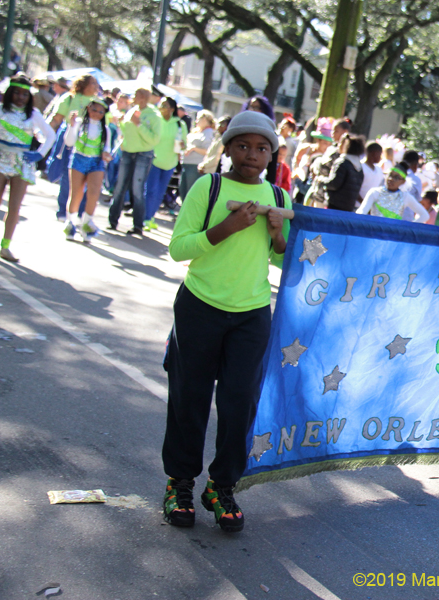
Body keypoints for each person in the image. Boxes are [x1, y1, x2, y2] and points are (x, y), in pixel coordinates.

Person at [162, 111, 289, 533]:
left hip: (251, 314)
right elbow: (179, 248)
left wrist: (276, 234)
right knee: (189, 397)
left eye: (261, 148)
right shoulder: (208, 186)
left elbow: (282, 260)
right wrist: (227, 227)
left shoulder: (279, 196)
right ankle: (179, 483)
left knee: (240, 403)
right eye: (243, 146)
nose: (252, 155)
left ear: (272, 153)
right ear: (228, 148)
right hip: (200, 305)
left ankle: (222, 486)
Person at [0, 74, 56, 262]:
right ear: (10, 94)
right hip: (0, 158)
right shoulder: (0, 111)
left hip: (22, 163)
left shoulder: (33, 114)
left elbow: (50, 135)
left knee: (14, 207)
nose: (21, 97)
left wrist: (39, 154)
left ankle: (5, 246)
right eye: (17, 93)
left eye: (25, 94)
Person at [108, 87, 161, 235]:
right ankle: (112, 220)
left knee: (137, 189)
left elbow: (154, 139)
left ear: (143, 98)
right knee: (119, 187)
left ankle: (138, 225)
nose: (133, 98)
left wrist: (139, 124)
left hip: (143, 155)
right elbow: (126, 132)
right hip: (128, 153)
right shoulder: (132, 110)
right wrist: (121, 123)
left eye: (136, 96)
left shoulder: (154, 115)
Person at [47, 74, 99, 220]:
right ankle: (63, 211)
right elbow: (56, 118)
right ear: (83, 85)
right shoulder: (69, 98)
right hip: (68, 140)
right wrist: (44, 134)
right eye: (93, 83)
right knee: (67, 176)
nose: (96, 87)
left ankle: (80, 212)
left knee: (85, 180)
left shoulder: (97, 103)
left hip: (88, 144)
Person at [62, 98, 112, 243]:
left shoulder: (105, 129)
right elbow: (69, 142)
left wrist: (106, 154)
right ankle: (70, 223)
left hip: (96, 162)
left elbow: (107, 146)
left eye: (101, 111)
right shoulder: (79, 123)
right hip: (79, 159)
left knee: (94, 193)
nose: (96, 114)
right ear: (88, 109)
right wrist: (71, 126)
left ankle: (86, 224)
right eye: (94, 109)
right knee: (76, 193)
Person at [144, 97, 188, 230]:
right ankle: (145, 218)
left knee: (160, 192)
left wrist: (182, 145)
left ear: (172, 109)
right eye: (161, 105)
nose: (162, 108)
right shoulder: (157, 121)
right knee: (151, 190)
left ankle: (151, 216)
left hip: (170, 163)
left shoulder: (180, 125)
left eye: (165, 105)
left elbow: (184, 145)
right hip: (155, 161)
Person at [357, 161, 428, 222]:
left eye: (396, 177)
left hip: (392, 236)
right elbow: (361, 212)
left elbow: (425, 215)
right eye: (390, 175)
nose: (391, 179)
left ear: (403, 182)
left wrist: (408, 228)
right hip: (373, 234)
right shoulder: (375, 192)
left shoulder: (405, 197)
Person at [306, 118, 350, 206]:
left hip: (327, 196)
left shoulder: (345, 152)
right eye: (332, 131)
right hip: (317, 191)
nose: (332, 134)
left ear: (345, 132)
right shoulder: (332, 148)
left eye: (336, 131)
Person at [321, 133, 365, 211]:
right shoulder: (359, 168)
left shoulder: (342, 162)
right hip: (348, 207)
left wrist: (322, 180)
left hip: (334, 205)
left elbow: (334, 184)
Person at [180, 110, 216, 199]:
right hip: (186, 164)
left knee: (190, 192)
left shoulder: (209, 133)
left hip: (195, 166)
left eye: (198, 119)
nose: (196, 121)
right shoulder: (197, 131)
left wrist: (194, 148)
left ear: (204, 119)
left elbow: (208, 151)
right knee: (182, 190)